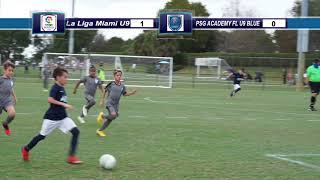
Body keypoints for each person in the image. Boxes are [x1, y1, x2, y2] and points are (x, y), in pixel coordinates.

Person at [21, 67, 82, 164]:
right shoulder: (55, 88)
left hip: (63, 118)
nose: (66, 79)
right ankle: (26, 149)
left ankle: (71, 157)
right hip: (52, 118)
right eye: (65, 77)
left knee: (76, 132)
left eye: (67, 77)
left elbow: (60, 101)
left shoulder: (62, 88)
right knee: (41, 136)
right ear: (58, 77)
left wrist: (65, 107)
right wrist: (64, 105)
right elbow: (50, 100)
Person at [96, 69, 137, 137]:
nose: (119, 77)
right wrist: (102, 100)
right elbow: (104, 91)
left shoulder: (122, 86)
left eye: (120, 75)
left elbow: (125, 94)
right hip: (110, 103)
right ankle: (102, 116)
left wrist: (132, 93)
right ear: (114, 76)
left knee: (112, 118)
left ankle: (100, 130)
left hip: (116, 105)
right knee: (113, 115)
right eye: (117, 75)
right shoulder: (111, 84)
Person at [0, 60, 17, 136]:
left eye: (12, 71)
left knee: (12, 113)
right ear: (4, 70)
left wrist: (15, 97)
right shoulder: (1, 79)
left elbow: (11, 88)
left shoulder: (11, 80)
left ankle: (5, 124)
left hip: (7, 101)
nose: (11, 72)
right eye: (9, 70)